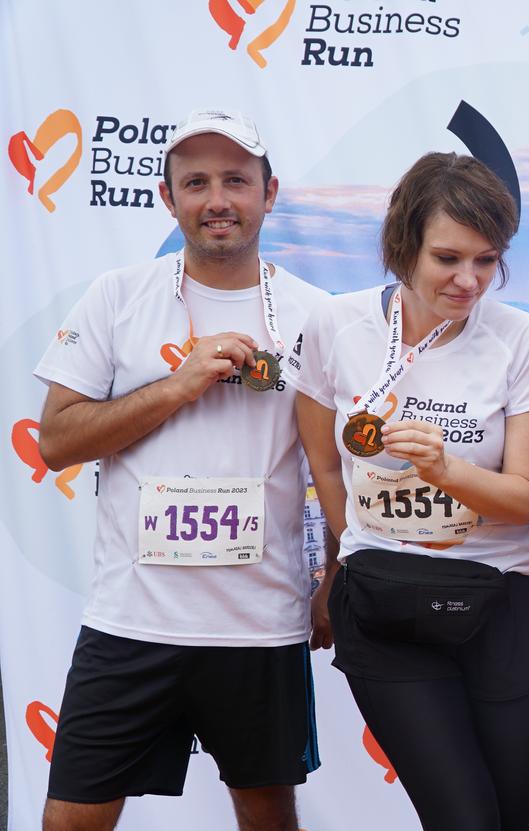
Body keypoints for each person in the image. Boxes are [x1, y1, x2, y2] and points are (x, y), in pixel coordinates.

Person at [33, 109, 323, 831]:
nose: (217, 200)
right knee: (70, 820)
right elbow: (56, 442)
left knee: (268, 817)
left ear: (269, 192)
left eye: (236, 181)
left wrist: (339, 573)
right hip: (131, 619)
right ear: (168, 198)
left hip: (259, 625)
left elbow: (337, 464)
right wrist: (176, 387)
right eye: (195, 183)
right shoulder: (117, 296)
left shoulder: (316, 315)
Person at [288, 151, 529, 831]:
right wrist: (354, 553)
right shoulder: (335, 326)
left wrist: (448, 472)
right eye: (448, 258)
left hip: (504, 600)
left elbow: (527, 496)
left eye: (486, 260)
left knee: (507, 820)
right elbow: (327, 465)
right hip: (387, 606)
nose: (469, 280)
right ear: (402, 244)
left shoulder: (520, 337)